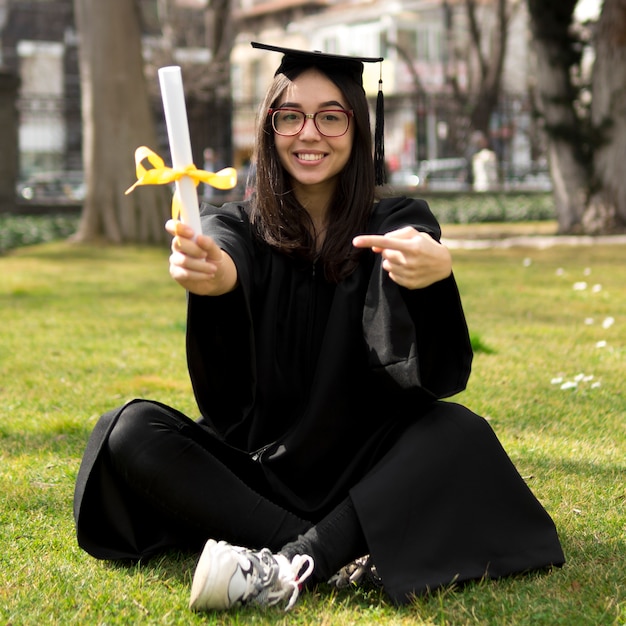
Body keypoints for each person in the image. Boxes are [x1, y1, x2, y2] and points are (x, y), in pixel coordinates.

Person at [73, 42, 565, 613]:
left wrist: (432, 273)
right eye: (291, 116)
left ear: (356, 128)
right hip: (263, 466)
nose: (309, 134)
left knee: (458, 433)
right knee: (128, 430)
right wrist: (216, 278)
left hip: (370, 463)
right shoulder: (236, 224)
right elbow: (223, 255)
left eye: (331, 116)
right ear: (269, 126)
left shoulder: (395, 221)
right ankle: (324, 549)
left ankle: (288, 561)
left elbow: (433, 360)